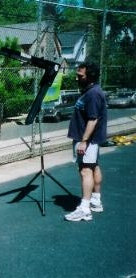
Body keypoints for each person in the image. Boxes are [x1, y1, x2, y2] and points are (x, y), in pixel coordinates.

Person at [65, 61, 107, 222]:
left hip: (87, 140)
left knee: (85, 171)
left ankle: (84, 209)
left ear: (89, 76)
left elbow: (93, 119)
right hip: (88, 139)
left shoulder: (93, 94)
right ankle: (95, 201)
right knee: (93, 166)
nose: (77, 78)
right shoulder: (89, 91)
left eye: (80, 75)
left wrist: (84, 141)